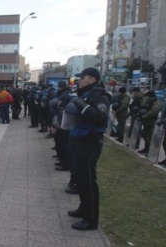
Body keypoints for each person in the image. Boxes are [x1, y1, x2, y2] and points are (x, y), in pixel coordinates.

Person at [67, 67, 110, 230]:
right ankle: (83, 209)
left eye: (82, 78)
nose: (79, 81)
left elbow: (100, 119)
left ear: (92, 79)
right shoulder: (85, 95)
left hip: (90, 141)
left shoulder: (100, 96)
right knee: (81, 178)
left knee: (89, 181)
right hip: (80, 139)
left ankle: (91, 219)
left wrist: (81, 105)